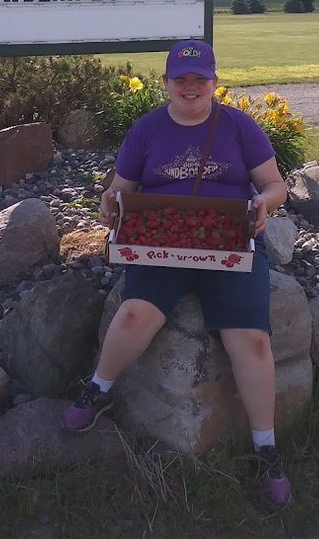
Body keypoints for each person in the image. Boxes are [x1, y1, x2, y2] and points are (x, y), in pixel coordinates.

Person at [62, 38, 292, 504]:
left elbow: (275, 185)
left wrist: (261, 205)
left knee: (250, 339)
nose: (190, 88)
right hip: (162, 239)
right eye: (180, 79)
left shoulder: (240, 126)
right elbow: (120, 190)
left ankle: (265, 447)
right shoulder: (146, 129)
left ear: (214, 81)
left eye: (199, 79)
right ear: (166, 82)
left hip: (229, 237)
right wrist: (109, 205)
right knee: (134, 315)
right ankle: (98, 389)